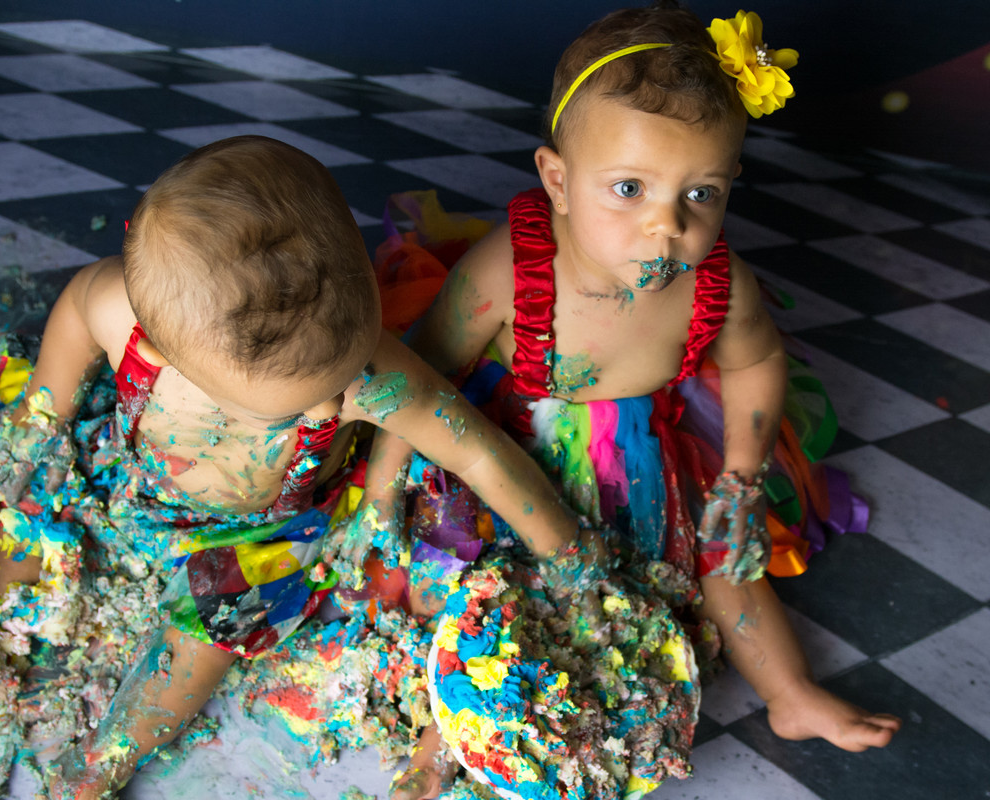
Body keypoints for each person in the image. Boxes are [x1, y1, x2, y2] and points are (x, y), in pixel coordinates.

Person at [0, 135, 605, 800]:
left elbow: (476, 447)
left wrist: (571, 555)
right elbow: (70, 329)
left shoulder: (366, 372)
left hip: (270, 531)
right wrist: (39, 422)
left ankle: (104, 759)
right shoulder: (118, 310)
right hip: (127, 481)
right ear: (165, 344)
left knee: (206, 639)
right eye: (287, 412)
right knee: (14, 549)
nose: (328, 405)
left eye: (336, 385)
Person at [371, 5, 902, 795]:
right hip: (501, 453)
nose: (667, 225)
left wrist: (743, 471)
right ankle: (436, 734)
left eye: (703, 193)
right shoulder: (512, 268)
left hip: (639, 458)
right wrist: (384, 485)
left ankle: (789, 696)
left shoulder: (715, 282)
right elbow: (423, 375)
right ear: (557, 180)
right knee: (458, 578)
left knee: (723, 564)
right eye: (628, 188)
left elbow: (757, 361)